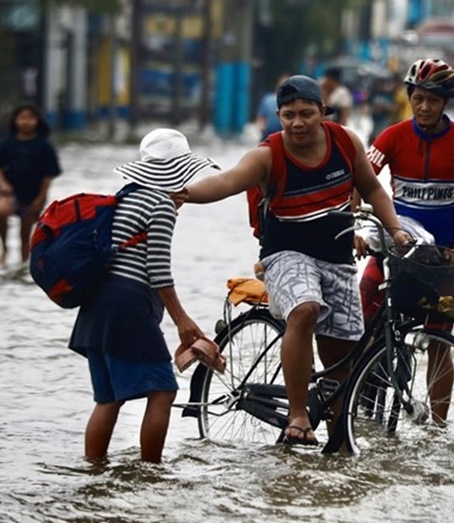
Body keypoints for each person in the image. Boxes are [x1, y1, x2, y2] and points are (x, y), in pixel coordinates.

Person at [179, 75, 411, 446]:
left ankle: (339, 444)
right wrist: (183, 194)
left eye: (306, 113)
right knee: (304, 309)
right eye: (288, 115)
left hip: (337, 259)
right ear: (279, 116)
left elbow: (371, 189)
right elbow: (226, 182)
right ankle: (298, 415)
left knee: (340, 359)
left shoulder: (345, 141)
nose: (297, 122)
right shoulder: (267, 155)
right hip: (285, 255)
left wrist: (395, 230)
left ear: (322, 111)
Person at [68, 128, 216, 463]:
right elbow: (158, 270)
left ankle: (94, 472)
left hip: (98, 303)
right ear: (179, 168)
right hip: (128, 304)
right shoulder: (161, 204)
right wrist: (182, 319)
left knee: (107, 399)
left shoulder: (126, 195)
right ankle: (151, 472)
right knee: (164, 390)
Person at [357, 58, 454, 422]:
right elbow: (362, 180)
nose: (424, 107)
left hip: (444, 254)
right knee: (363, 314)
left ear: (446, 102)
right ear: (409, 97)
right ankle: (357, 398)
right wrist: (354, 227)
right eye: (417, 98)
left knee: (438, 341)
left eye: (433, 100)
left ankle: (438, 426)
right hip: (396, 246)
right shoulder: (392, 137)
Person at [0, 103, 61, 266]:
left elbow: (48, 175)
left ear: (37, 121)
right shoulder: (7, 144)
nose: (26, 122)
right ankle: (5, 248)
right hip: (10, 191)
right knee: (2, 211)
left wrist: (41, 198)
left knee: (25, 230)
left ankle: (24, 260)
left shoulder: (44, 146)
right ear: (15, 121)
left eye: (30, 118)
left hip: (33, 193)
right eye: (22, 118)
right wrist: (3, 183)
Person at [255, 74, 290, 141]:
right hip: (269, 133)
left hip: (285, 134)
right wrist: (261, 127)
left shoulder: (293, 101)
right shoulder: (268, 99)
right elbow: (261, 116)